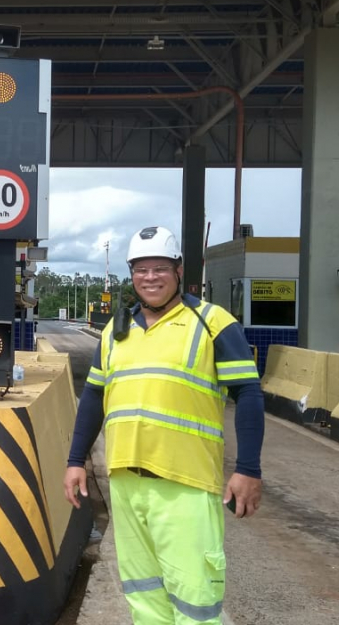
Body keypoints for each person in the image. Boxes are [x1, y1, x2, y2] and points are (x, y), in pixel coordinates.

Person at [62, 226, 264, 625]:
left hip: (185, 485)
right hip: (126, 484)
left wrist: (248, 470)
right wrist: (75, 460)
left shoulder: (213, 323)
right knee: (144, 598)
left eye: (160, 268)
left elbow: (249, 394)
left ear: (178, 270)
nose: (150, 277)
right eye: (141, 269)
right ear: (131, 275)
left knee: (195, 601)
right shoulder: (116, 331)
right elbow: (94, 397)